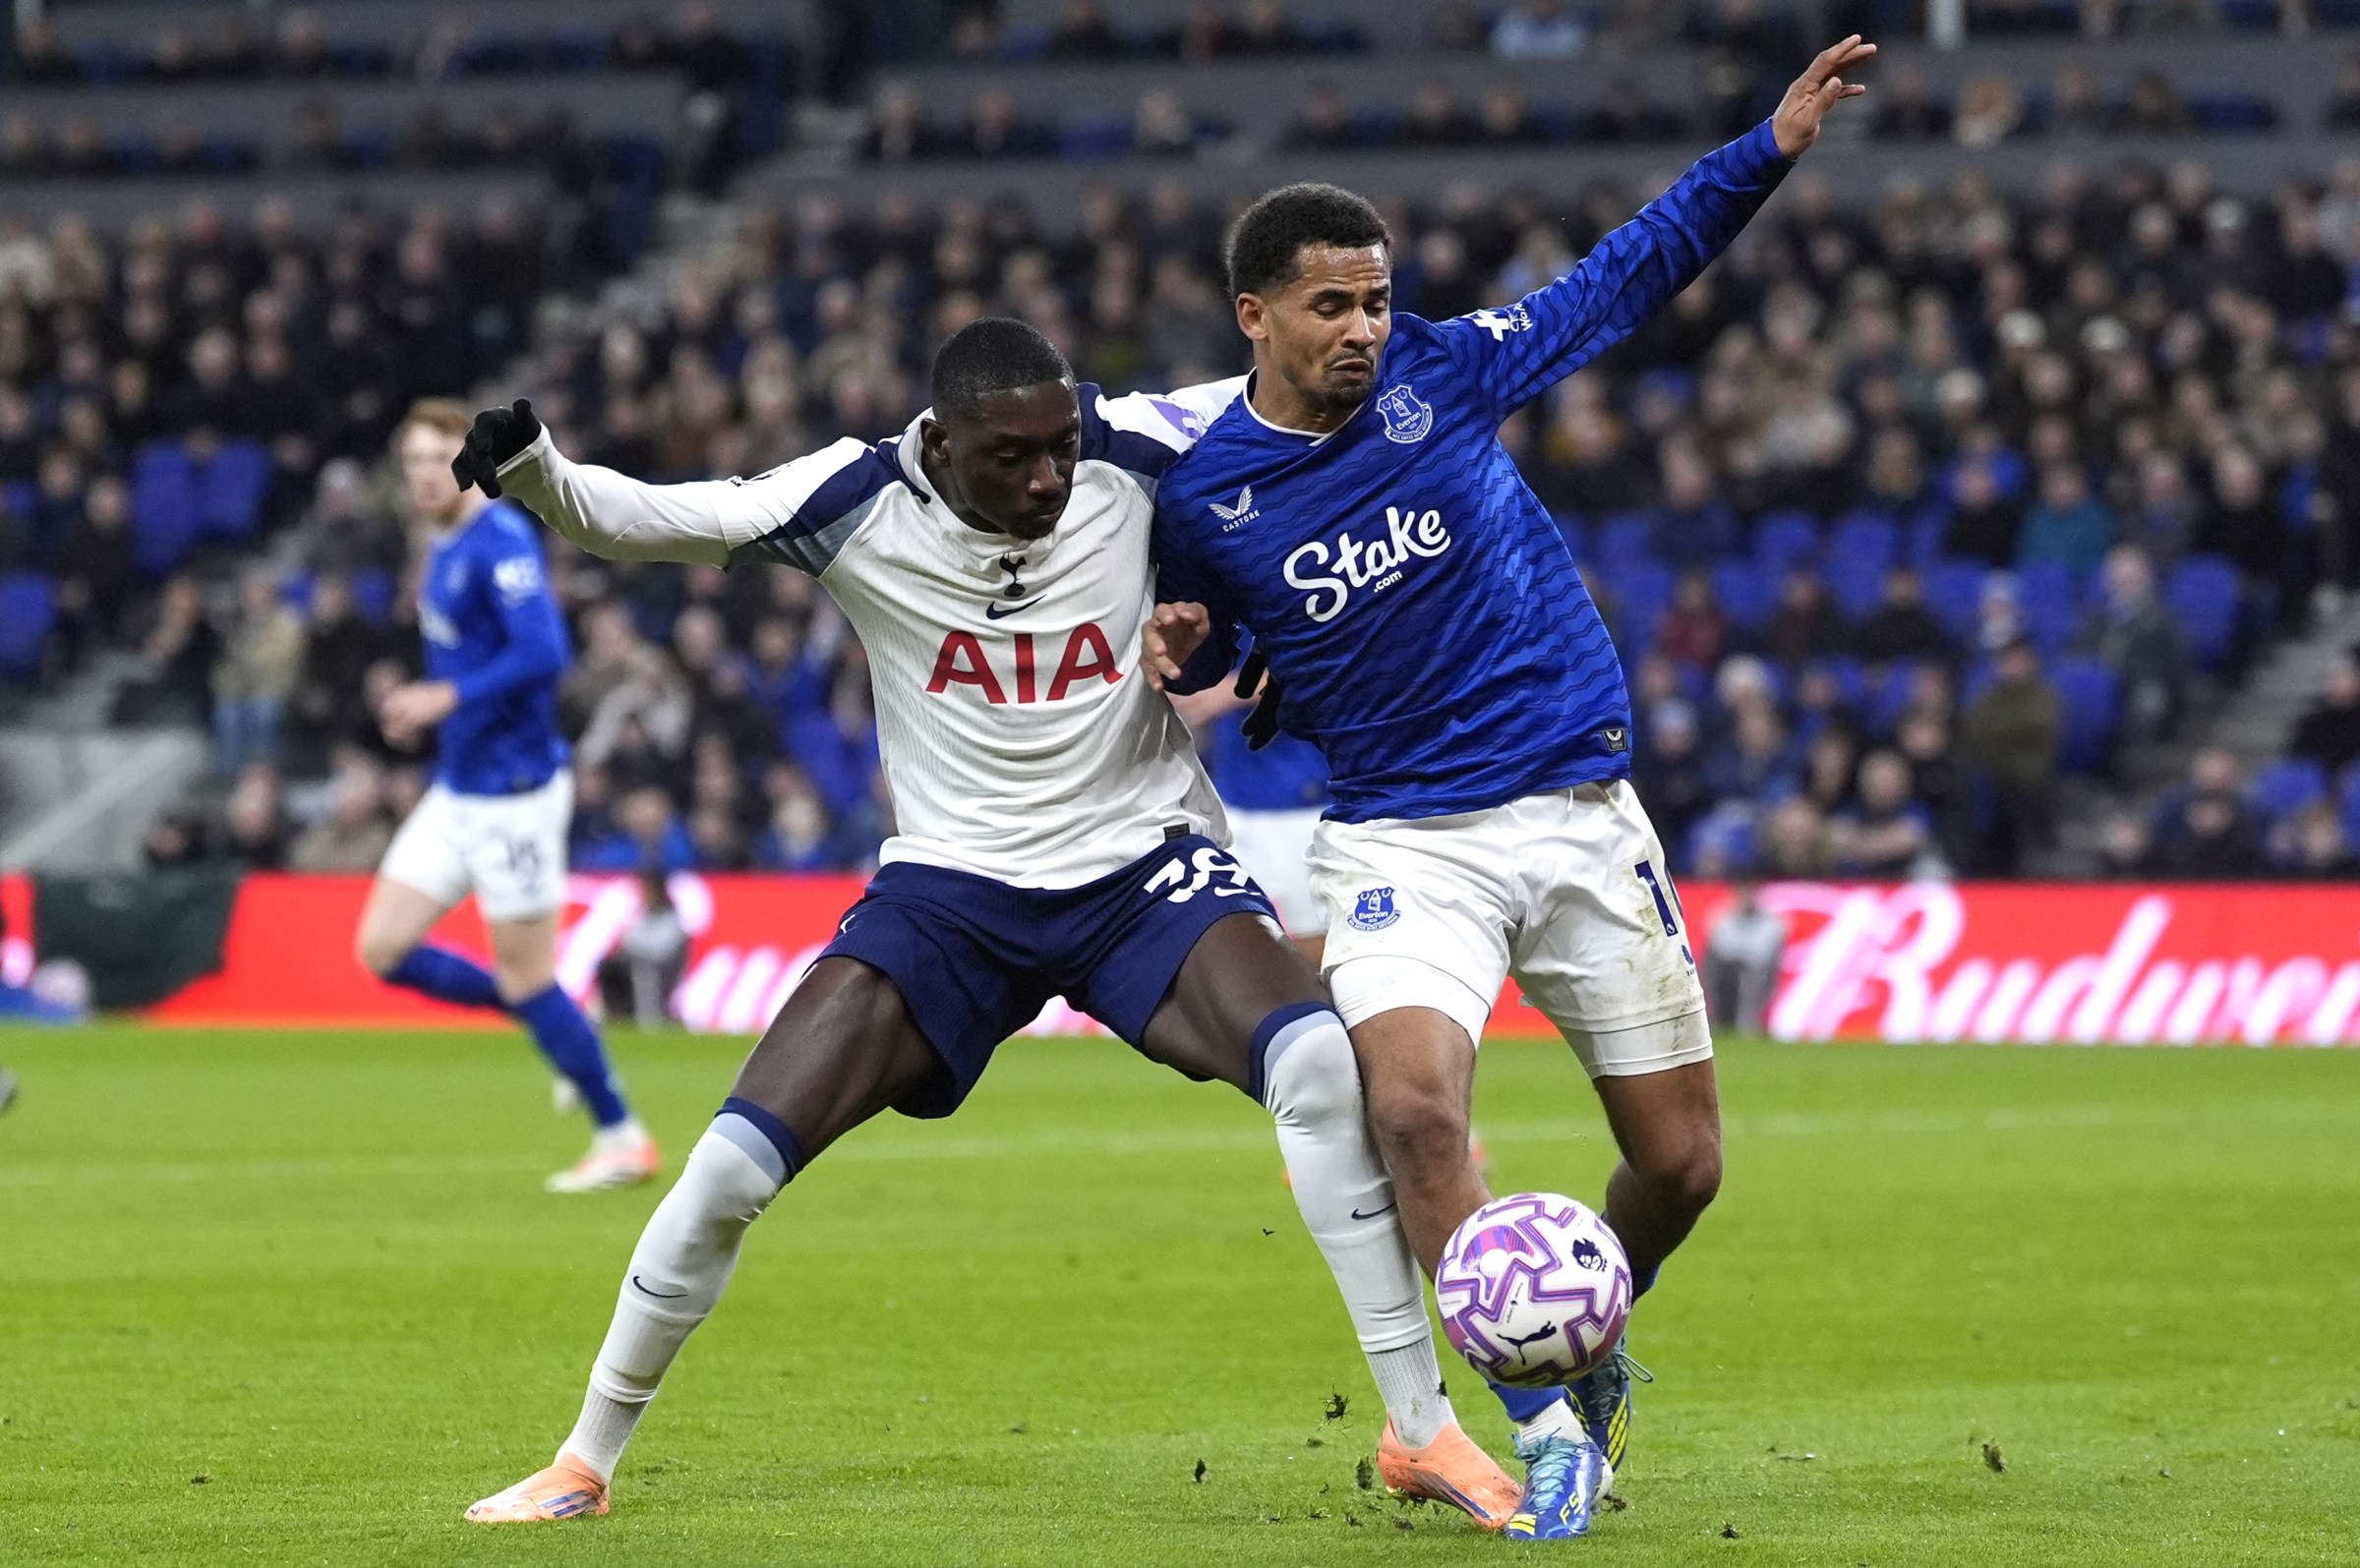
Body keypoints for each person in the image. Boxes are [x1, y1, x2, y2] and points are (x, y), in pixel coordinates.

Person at [451, 319, 1519, 1531]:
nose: (1049, 480)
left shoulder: (1134, 445)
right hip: (949, 894)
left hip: (1138, 868)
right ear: (940, 444)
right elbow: (649, 519)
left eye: (1061, 448)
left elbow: (1298, 401)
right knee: (728, 1170)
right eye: (1013, 458)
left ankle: (1422, 1426)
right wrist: (537, 470)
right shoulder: (851, 496)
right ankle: (584, 1460)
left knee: (1319, 1060)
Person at [1141, 38, 1874, 1540]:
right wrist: (1187, 637)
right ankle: (1534, 1423)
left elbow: (1621, 275)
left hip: (1582, 813)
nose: (1360, 326)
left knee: (1682, 1164)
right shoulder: (1204, 498)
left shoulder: (1443, 371)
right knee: (1412, 1106)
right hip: (1406, 837)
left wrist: (1767, 147)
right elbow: (1203, 623)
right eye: (1330, 304)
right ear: (1256, 315)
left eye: (1373, 298)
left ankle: (1586, 1332)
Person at [351, 400, 657, 1194]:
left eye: (437, 457)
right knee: (383, 948)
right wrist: (428, 703)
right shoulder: (442, 542)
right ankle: (557, 1020)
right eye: (411, 460)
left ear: (468, 459)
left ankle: (621, 1134)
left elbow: (545, 652)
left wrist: (447, 701)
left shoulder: (501, 540)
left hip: (516, 797)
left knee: (526, 975)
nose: (423, 473)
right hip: (458, 790)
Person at [1170, 677, 1332, 963]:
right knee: (1229, 932)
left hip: (1299, 796)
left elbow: (1324, 667)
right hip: (1228, 797)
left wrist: (1231, 690)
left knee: (1314, 937)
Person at [1702, 880, 1785, 1033]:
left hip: (1757, 969)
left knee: (1751, 975)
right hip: (1728, 967)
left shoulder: (1770, 922)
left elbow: (1764, 952)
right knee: (1711, 968)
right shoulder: (1725, 918)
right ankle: (1714, 1018)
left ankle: (1746, 1023)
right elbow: (1720, 946)